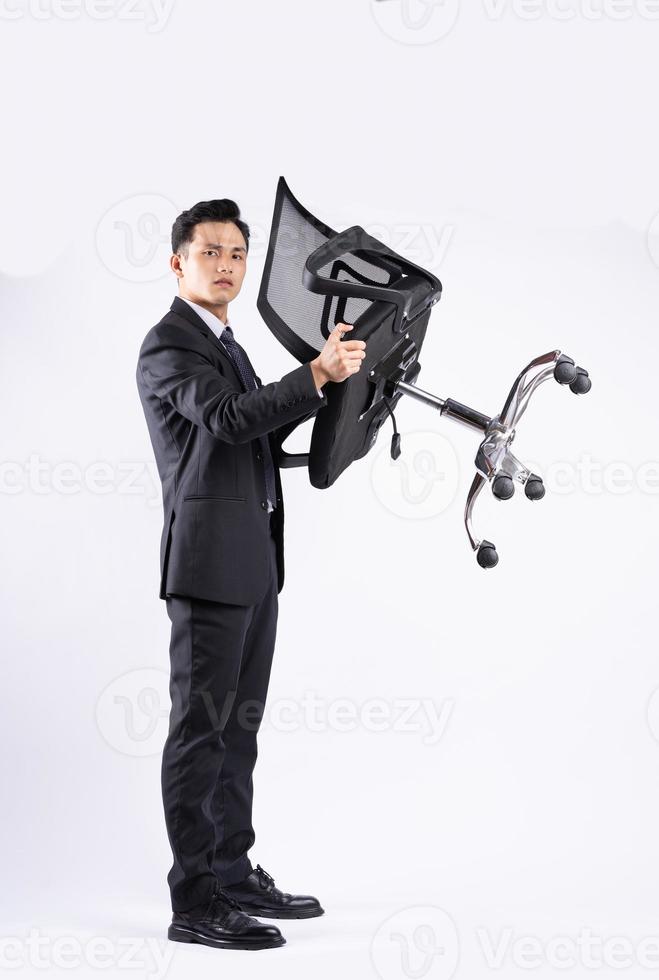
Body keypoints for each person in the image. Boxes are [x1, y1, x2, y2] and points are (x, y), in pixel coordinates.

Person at [135, 198, 366, 951]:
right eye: (211, 253)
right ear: (178, 263)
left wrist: (327, 385)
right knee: (200, 733)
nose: (226, 265)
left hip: (255, 561)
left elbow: (258, 422)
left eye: (236, 253)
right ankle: (194, 901)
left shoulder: (226, 343)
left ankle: (231, 873)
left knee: (239, 730)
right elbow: (231, 418)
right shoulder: (170, 345)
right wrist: (311, 375)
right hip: (207, 567)